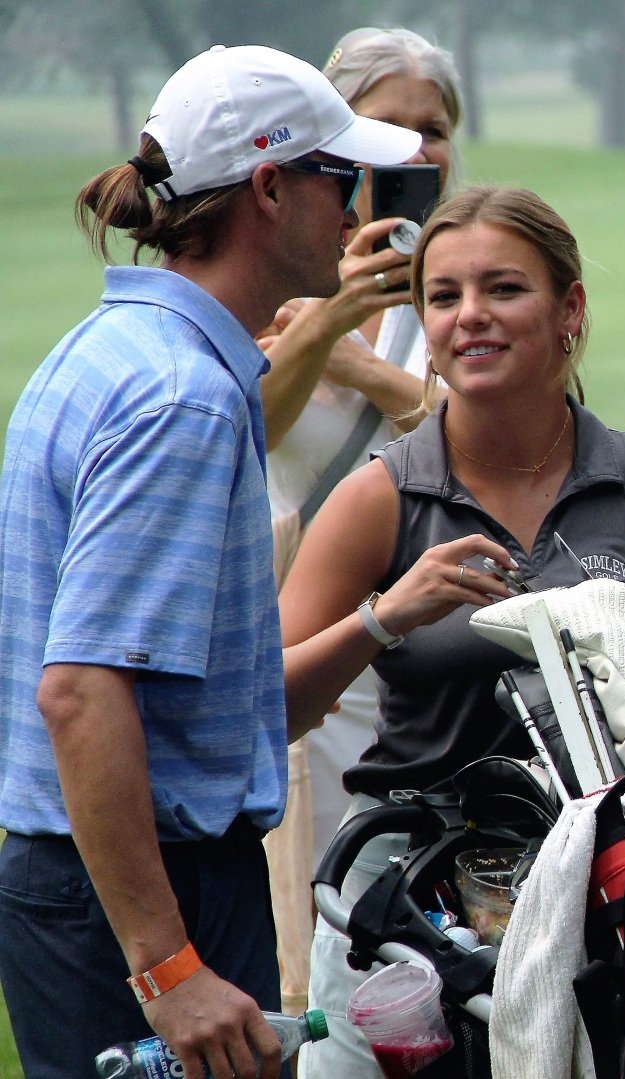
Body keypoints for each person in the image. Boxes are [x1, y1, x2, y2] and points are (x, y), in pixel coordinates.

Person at [0, 44, 420, 1079]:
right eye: (336, 175)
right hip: (147, 898)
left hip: (94, 884)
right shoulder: (182, 399)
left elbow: (195, 701)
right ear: (271, 189)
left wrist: (378, 620)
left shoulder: (108, 350)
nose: (355, 201)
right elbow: (82, 693)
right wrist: (169, 964)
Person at [280, 185, 625, 1076]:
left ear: (570, 308)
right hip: (409, 907)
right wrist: (386, 614)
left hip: (604, 894)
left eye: (504, 289)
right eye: (445, 296)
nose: (470, 318)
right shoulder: (380, 499)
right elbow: (270, 706)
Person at [254, 25, 463, 1017]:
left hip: (421, 641)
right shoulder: (278, 276)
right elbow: (249, 429)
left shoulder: (460, 283)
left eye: (436, 130)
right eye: (393, 128)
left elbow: (478, 444)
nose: (420, 152)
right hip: (294, 651)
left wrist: (362, 360)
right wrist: (326, 322)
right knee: (303, 933)